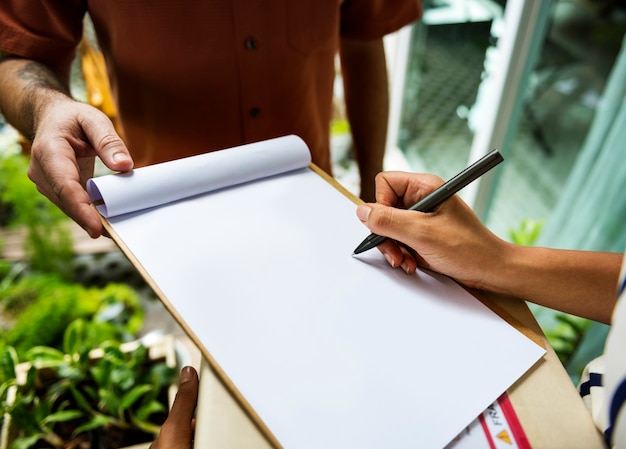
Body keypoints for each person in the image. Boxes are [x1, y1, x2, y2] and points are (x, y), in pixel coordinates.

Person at [0, 1, 421, 238]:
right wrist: (47, 108)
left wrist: (371, 191)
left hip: (314, 199)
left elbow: (365, 40)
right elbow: (19, 52)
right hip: (168, 221)